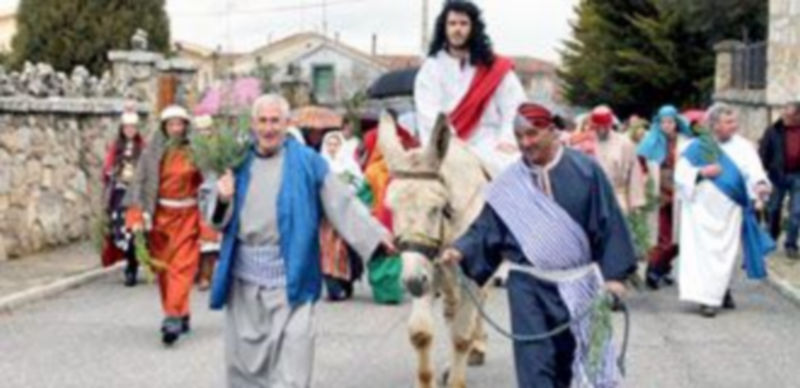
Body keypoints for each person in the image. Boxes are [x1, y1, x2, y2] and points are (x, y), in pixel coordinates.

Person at [206, 94, 396, 387]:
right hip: (244, 283)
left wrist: (376, 234)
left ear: (287, 124)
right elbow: (215, 216)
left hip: (291, 279)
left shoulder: (308, 162)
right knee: (245, 365)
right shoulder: (237, 161)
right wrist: (222, 197)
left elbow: (342, 202)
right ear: (253, 124)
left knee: (294, 359)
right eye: (263, 121)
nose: (269, 129)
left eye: (275, 121)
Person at [441, 103, 636, 388]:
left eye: (532, 134)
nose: (524, 143)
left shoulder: (587, 171)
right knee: (534, 366)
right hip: (527, 287)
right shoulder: (510, 183)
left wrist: (615, 277)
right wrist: (460, 249)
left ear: (551, 131)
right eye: (519, 136)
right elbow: (487, 227)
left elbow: (610, 225)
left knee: (575, 362)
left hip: (579, 283)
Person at [676, 103, 774, 317]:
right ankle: (707, 300)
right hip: (700, 213)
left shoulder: (743, 147)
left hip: (729, 212)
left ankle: (721, 290)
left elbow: (755, 171)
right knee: (703, 256)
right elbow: (681, 175)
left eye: (735, 121)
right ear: (714, 125)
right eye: (729, 122)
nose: (735, 126)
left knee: (726, 255)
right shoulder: (698, 146)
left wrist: (760, 184)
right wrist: (702, 172)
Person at [124, 105, 210, 345]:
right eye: (171, 124)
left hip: (187, 216)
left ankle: (172, 316)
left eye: (179, 124)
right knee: (163, 269)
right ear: (164, 127)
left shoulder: (196, 151)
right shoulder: (152, 152)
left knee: (181, 267)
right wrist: (136, 216)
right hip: (160, 218)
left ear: (185, 127)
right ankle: (180, 311)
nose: (175, 129)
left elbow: (209, 181)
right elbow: (139, 182)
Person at [414, 0, 526, 175]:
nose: (457, 29)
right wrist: (452, 146)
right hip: (448, 144)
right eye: (452, 23)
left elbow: (514, 107)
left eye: (463, 23)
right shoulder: (431, 68)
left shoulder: (494, 67)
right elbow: (429, 113)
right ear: (444, 28)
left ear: (474, 28)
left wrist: (507, 138)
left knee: (515, 169)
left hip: (491, 143)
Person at [637, 105, 694, 289]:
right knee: (662, 235)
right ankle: (653, 270)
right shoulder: (651, 140)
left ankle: (663, 268)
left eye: (670, 122)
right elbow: (641, 163)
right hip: (659, 191)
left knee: (680, 236)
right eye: (663, 122)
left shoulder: (684, 141)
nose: (667, 125)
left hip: (679, 190)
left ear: (676, 122)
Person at [319, 131, 366, 300]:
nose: (332, 147)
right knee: (327, 250)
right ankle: (333, 287)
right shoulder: (320, 164)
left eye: (335, 144)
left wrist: (345, 192)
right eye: (329, 144)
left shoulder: (349, 165)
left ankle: (346, 282)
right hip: (326, 216)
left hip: (345, 214)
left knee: (344, 251)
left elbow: (358, 182)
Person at [101, 111, 145, 286]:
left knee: (134, 231)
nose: (130, 130)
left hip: (136, 196)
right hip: (120, 194)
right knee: (122, 233)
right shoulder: (116, 147)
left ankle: (132, 267)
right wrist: (111, 172)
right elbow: (107, 168)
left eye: (133, 127)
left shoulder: (142, 147)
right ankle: (128, 263)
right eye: (127, 127)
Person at [582, 106, 646, 214]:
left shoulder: (624, 144)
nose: (601, 129)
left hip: (617, 198)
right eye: (598, 126)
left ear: (610, 125)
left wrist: (636, 203)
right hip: (592, 199)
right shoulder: (585, 143)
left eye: (604, 126)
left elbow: (634, 173)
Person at [759, 99, 800, 259]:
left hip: (798, 175)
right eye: (784, 114)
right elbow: (764, 151)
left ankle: (791, 244)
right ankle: (771, 237)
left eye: (789, 115)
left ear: (798, 116)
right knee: (773, 208)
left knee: (797, 211)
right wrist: (762, 173)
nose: (784, 118)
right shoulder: (773, 130)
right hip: (777, 175)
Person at [194, 114, 222, 291]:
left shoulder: (218, 149)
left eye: (207, 130)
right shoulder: (191, 149)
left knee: (209, 237)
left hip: (212, 193)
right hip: (193, 195)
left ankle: (206, 275)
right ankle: (195, 272)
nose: (204, 133)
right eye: (201, 130)